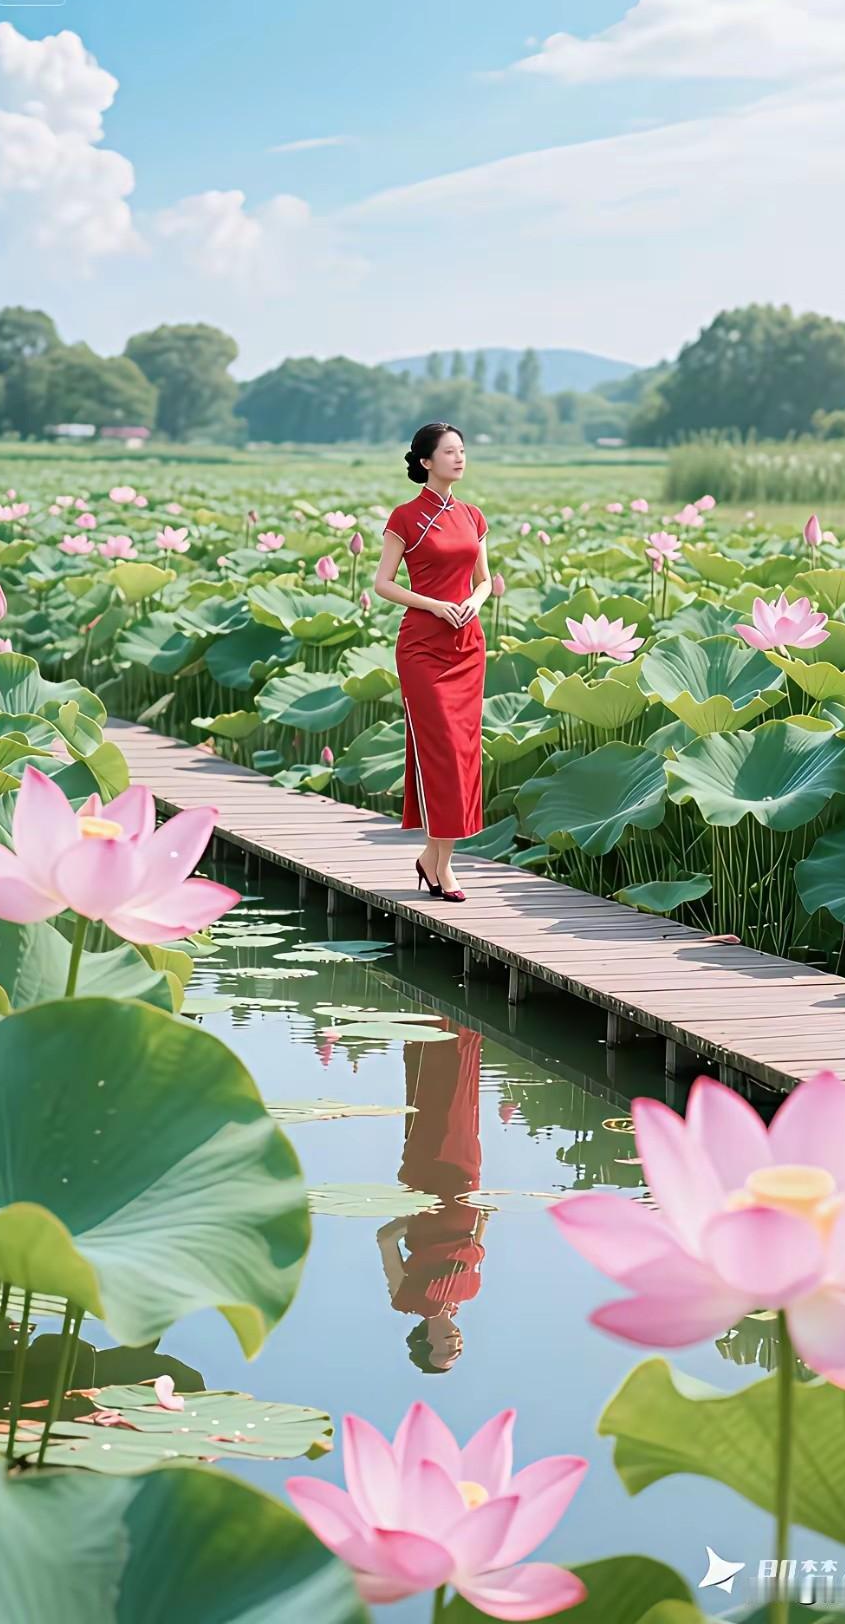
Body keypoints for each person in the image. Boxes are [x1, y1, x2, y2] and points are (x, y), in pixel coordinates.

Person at [374, 421, 492, 902]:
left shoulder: (473, 516)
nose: (459, 458)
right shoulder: (405, 517)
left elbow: (485, 580)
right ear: (426, 462)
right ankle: (440, 864)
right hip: (423, 648)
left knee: (462, 755)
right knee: (439, 750)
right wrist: (435, 605)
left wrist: (474, 603)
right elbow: (383, 583)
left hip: (467, 646)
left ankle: (436, 860)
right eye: (449, 452)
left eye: (462, 450)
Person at [376, 1019, 486, 1372]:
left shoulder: (406, 1300)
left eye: (445, 1351)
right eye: (457, 1351)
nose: (455, 1345)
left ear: (425, 1343)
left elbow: (385, 1239)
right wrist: (483, 1215)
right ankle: (466, 1030)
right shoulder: (465, 1297)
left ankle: (438, 1027)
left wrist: (415, 1215)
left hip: (430, 1181)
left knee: (439, 1112)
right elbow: (475, 1246)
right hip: (465, 1188)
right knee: (465, 1111)